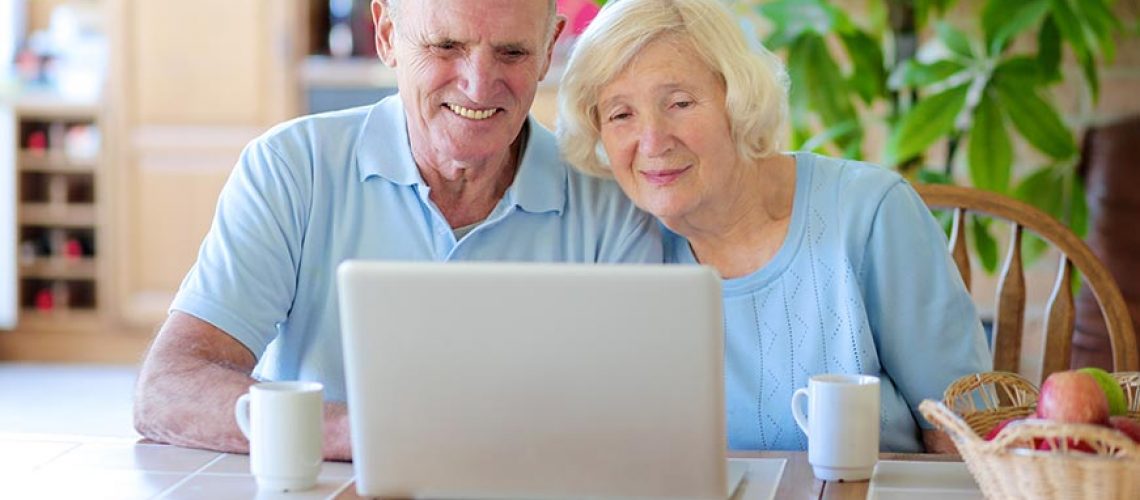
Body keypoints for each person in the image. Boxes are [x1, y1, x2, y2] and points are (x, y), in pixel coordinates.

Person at [133, 0, 662, 461]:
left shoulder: (611, 202)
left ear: (548, 49)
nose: (478, 83)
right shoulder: (293, 167)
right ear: (387, 36)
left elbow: (643, 421)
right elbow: (169, 390)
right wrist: (360, 432)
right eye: (446, 45)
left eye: (512, 53)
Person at [556, 0, 990, 453]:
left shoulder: (869, 214)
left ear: (739, 99)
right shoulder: (621, 243)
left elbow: (964, 431)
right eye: (621, 114)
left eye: (680, 103)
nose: (652, 141)